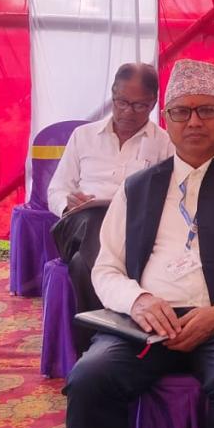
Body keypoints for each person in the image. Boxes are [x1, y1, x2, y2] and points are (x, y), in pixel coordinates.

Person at [63, 59, 214, 428]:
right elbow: (106, 268)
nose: (194, 122)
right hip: (148, 322)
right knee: (90, 379)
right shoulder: (136, 188)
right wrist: (138, 301)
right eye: (181, 112)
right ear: (166, 121)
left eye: (207, 110)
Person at [48, 63, 174, 353]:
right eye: (121, 102)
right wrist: (67, 203)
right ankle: (119, 332)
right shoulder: (83, 135)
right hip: (79, 224)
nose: (128, 112)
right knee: (95, 217)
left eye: (139, 105)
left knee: (81, 264)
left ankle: (94, 344)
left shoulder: (164, 143)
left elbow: (168, 197)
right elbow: (55, 190)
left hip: (132, 232)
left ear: (153, 102)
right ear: (113, 94)